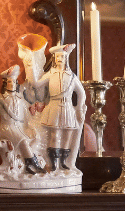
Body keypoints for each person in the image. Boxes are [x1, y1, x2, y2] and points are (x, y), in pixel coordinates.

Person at [26, 43, 86, 172]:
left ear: (66, 59)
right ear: (54, 59)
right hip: (54, 106)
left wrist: (80, 108)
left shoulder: (72, 76)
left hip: (68, 107)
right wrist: (30, 66)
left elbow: (81, 93)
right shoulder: (50, 75)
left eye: (63, 57)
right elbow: (36, 84)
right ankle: (53, 163)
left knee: (68, 135)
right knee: (55, 135)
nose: (60, 59)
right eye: (58, 57)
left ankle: (63, 162)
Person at [0, 65, 45, 176]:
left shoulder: (20, 99)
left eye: (14, 82)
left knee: (35, 137)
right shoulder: (0, 100)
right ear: (5, 84)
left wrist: (32, 123)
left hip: (19, 127)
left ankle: (27, 165)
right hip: (6, 127)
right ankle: (34, 164)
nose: (12, 85)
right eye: (10, 82)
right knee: (23, 140)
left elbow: (26, 115)